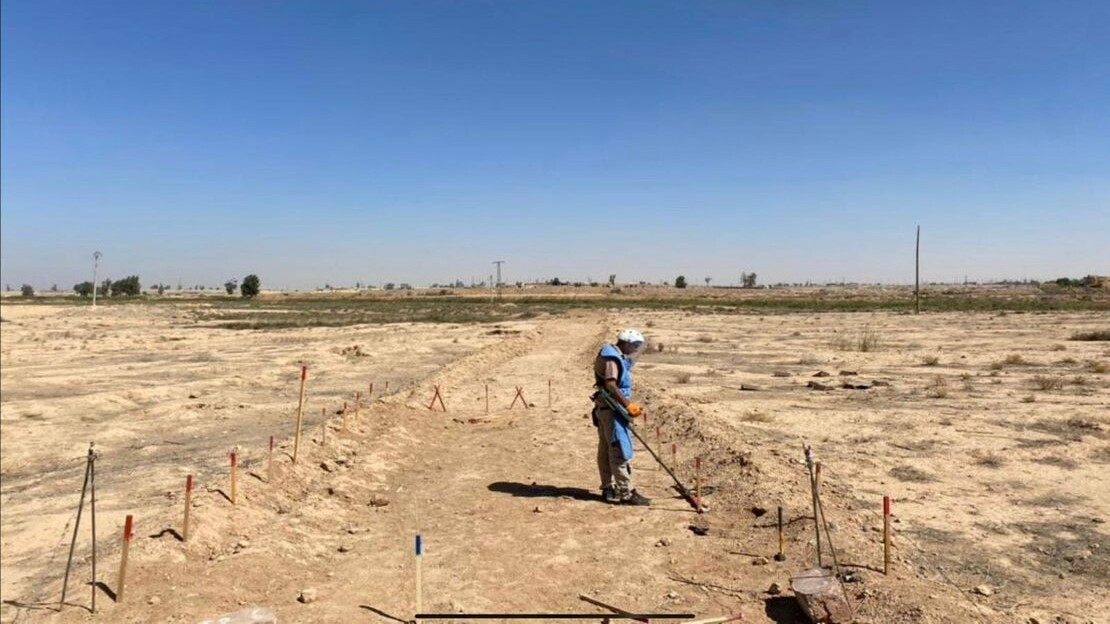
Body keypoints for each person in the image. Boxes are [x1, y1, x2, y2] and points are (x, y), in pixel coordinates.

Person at [592, 329, 650, 506]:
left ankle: (608, 487)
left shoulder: (613, 353)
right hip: (612, 410)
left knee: (606, 449)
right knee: (618, 449)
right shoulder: (611, 358)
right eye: (634, 346)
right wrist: (627, 405)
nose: (634, 350)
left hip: (605, 408)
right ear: (624, 343)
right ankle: (626, 493)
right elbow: (611, 384)